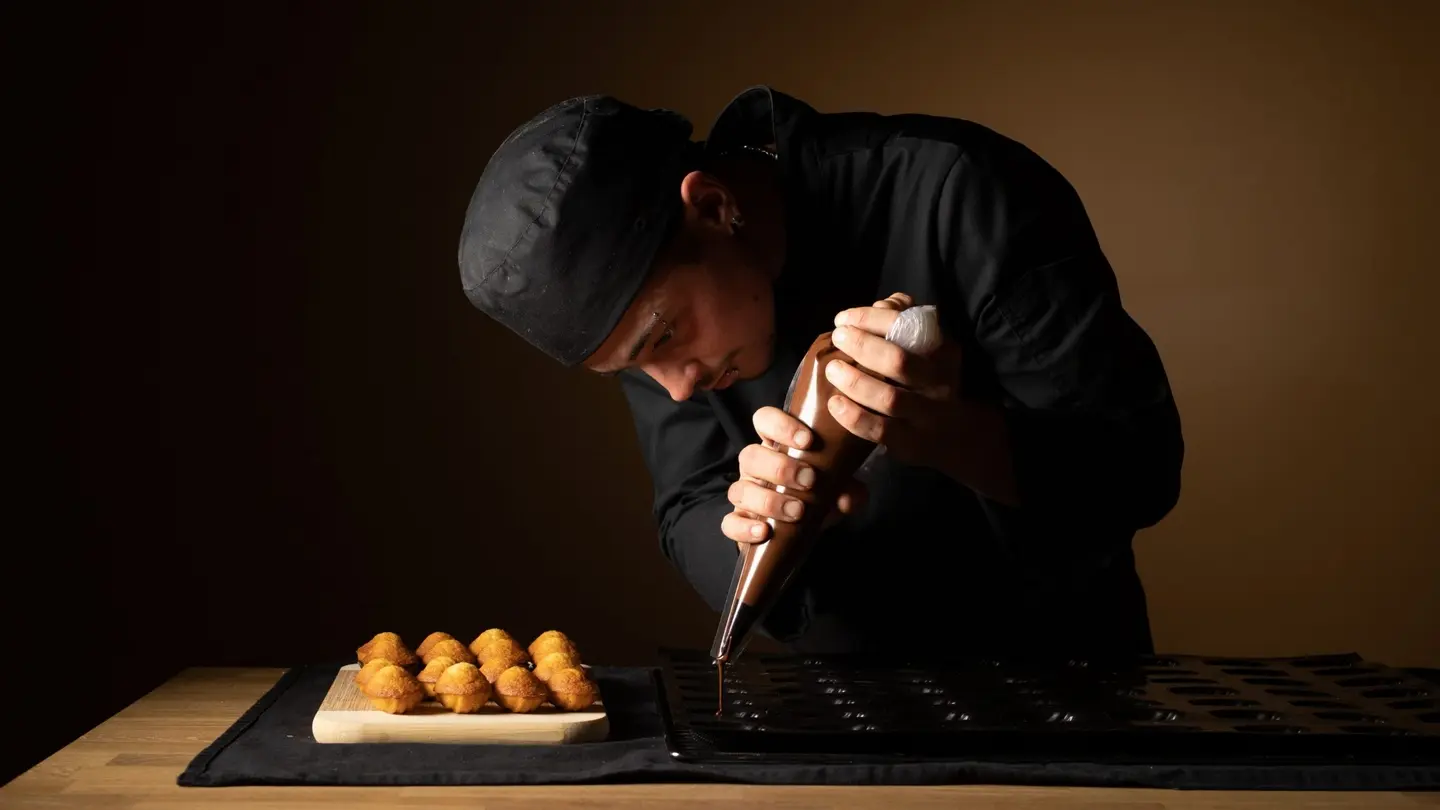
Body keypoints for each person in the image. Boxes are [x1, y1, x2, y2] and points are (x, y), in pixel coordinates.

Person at [457, 86, 1183, 658]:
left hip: (1070, 685)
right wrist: (748, 532)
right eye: (630, 369)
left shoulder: (959, 194)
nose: (675, 387)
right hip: (848, 709)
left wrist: (953, 434)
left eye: (664, 338)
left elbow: (1141, 471)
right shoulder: (651, 329)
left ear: (713, 206)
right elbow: (687, 505)